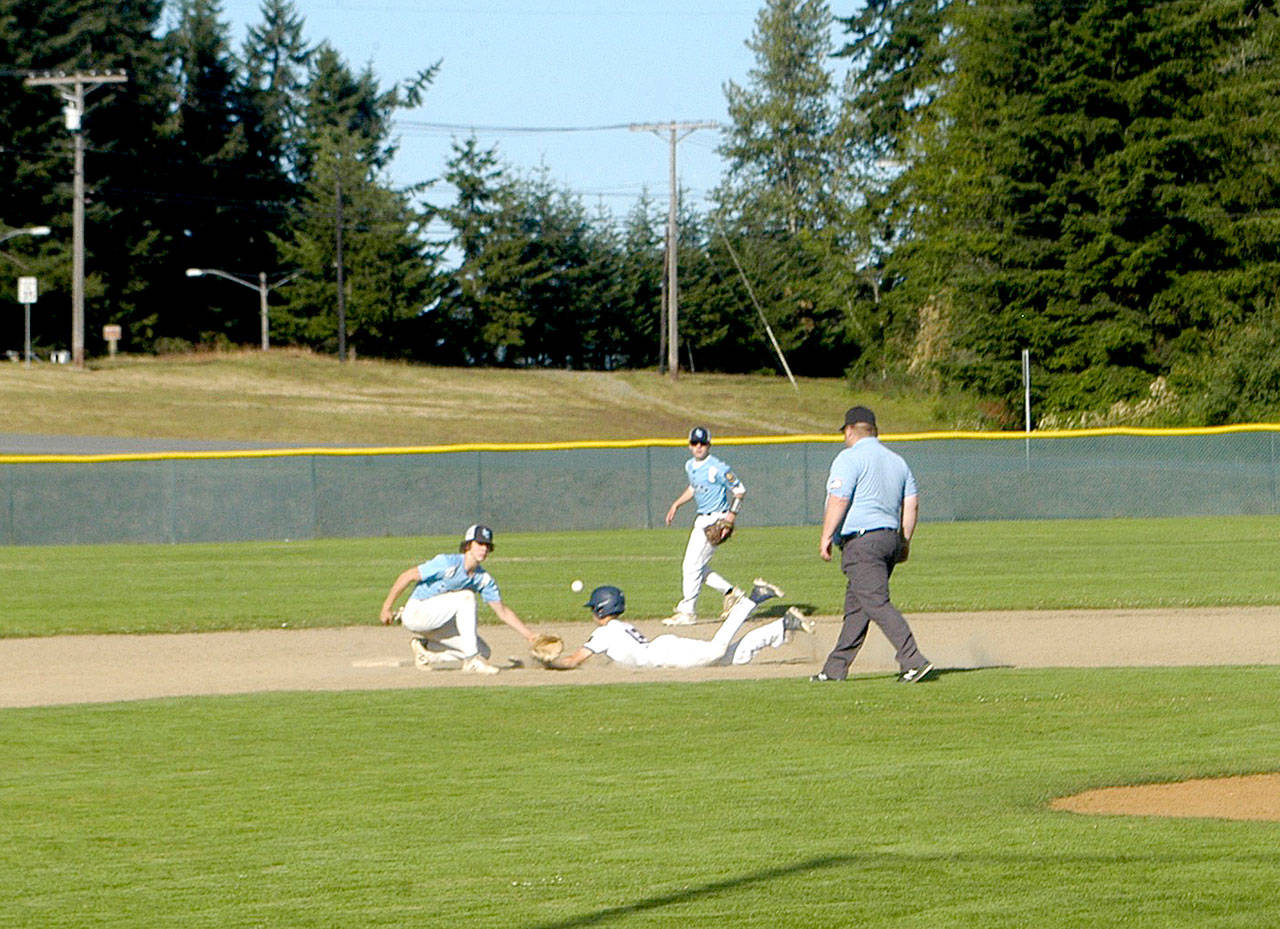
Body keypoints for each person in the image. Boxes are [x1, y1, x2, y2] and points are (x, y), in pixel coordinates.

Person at [814, 406, 934, 683]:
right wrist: (904, 541)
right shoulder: (897, 461)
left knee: (876, 602)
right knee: (858, 608)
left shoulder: (849, 458)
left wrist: (825, 535)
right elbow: (911, 504)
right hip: (889, 538)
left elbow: (839, 498)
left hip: (863, 542)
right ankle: (834, 669)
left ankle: (913, 659)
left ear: (849, 431)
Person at [378, 524, 541, 675]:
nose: (484, 549)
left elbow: (502, 611)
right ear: (468, 545)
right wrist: (387, 607)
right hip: (417, 613)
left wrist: (530, 635)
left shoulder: (482, 578)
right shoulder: (447, 563)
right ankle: (471, 660)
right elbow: (407, 576)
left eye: (487, 546)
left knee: (484, 651)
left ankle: (427, 652)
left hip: (440, 622)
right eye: (479, 544)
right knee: (466, 597)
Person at [543, 580, 814, 670]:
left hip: (666, 654)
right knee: (735, 657)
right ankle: (781, 627)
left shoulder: (604, 633)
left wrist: (547, 663)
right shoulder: (618, 628)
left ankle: (753, 598)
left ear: (601, 609)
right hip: (665, 650)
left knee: (718, 650)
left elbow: (573, 660)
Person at [662, 426, 748, 626]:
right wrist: (676, 504)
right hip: (701, 519)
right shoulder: (690, 466)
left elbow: (740, 490)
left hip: (716, 519)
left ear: (709, 444)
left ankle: (688, 610)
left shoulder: (717, 467)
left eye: (702, 443)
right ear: (690, 445)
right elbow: (693, 488)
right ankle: (731, 593)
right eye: (695, 443)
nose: (698, 447)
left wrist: (730, 518)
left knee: (691, 566)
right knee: (696, 566)